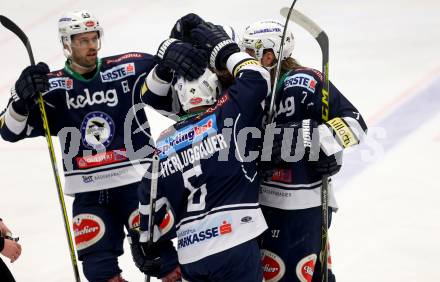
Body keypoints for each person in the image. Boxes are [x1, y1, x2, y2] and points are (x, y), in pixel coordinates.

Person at [0, 10, 207, 282]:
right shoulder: (50, 87)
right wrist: (20, 99)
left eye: (93, 38)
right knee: (99, 271)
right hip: (88, 191)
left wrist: (173, 49)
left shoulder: (128, 68)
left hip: (137, 185)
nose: (90, 46)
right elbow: (8, 131)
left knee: (162, 260)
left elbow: (165, 80)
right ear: (66, 44)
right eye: (82, 40)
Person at [132, 17, 271, 281]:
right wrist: (225, 49)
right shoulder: (231, 109)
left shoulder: (164, 141)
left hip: (191, 253)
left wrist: (149, 246)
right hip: (237, 236)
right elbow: (257, 77)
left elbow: (148, 200)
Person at [241, 20, 368, 281]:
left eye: (249, 52)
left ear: (269, 55)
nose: (243, 60)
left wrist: (316, 142)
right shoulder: (252, 87)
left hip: (298, 208)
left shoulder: (303, 82)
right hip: (259, 204)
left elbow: (355, 125)